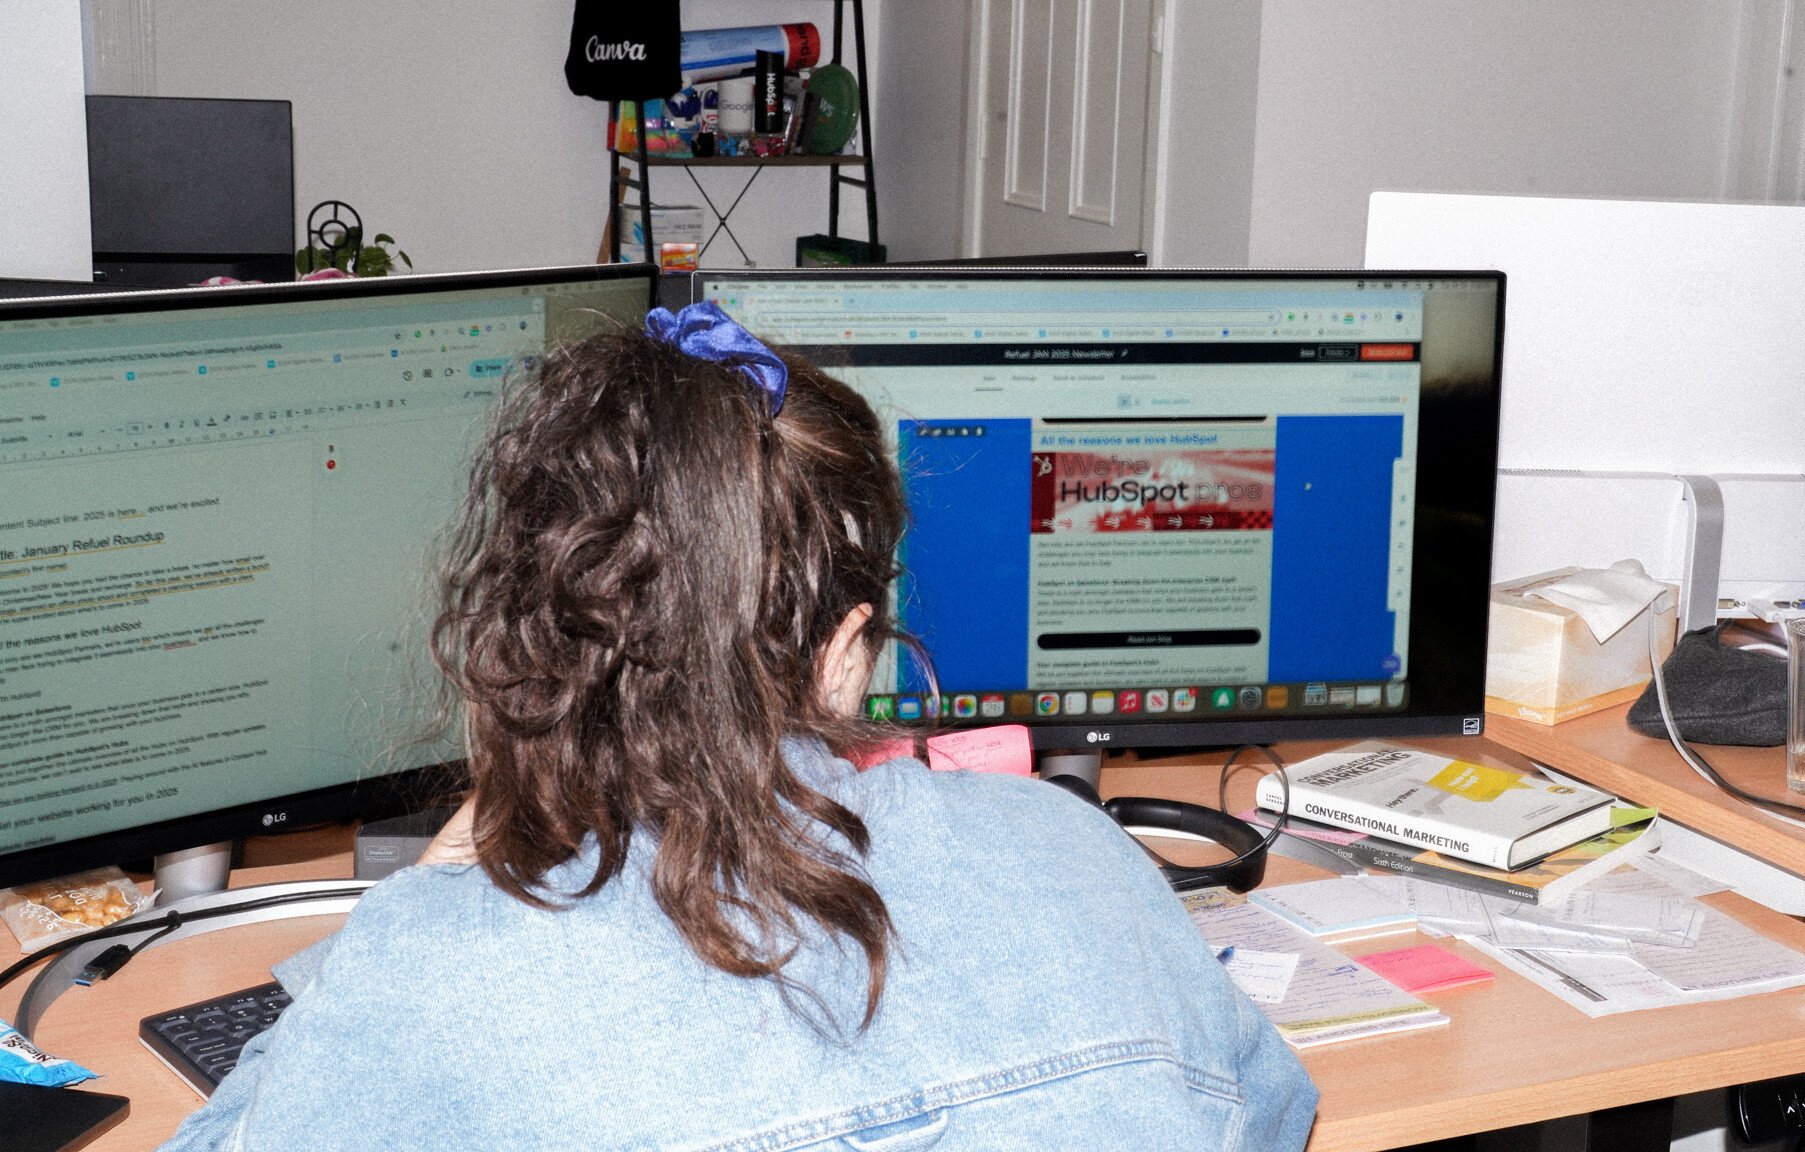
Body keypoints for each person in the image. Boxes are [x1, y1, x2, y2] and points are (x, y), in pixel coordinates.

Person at [160, 303, 1317, 1151]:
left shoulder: (432, 976)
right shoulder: (1083, 862)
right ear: (848, 651)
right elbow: (1270, 1115)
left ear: (528, 633)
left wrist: (453, 861)